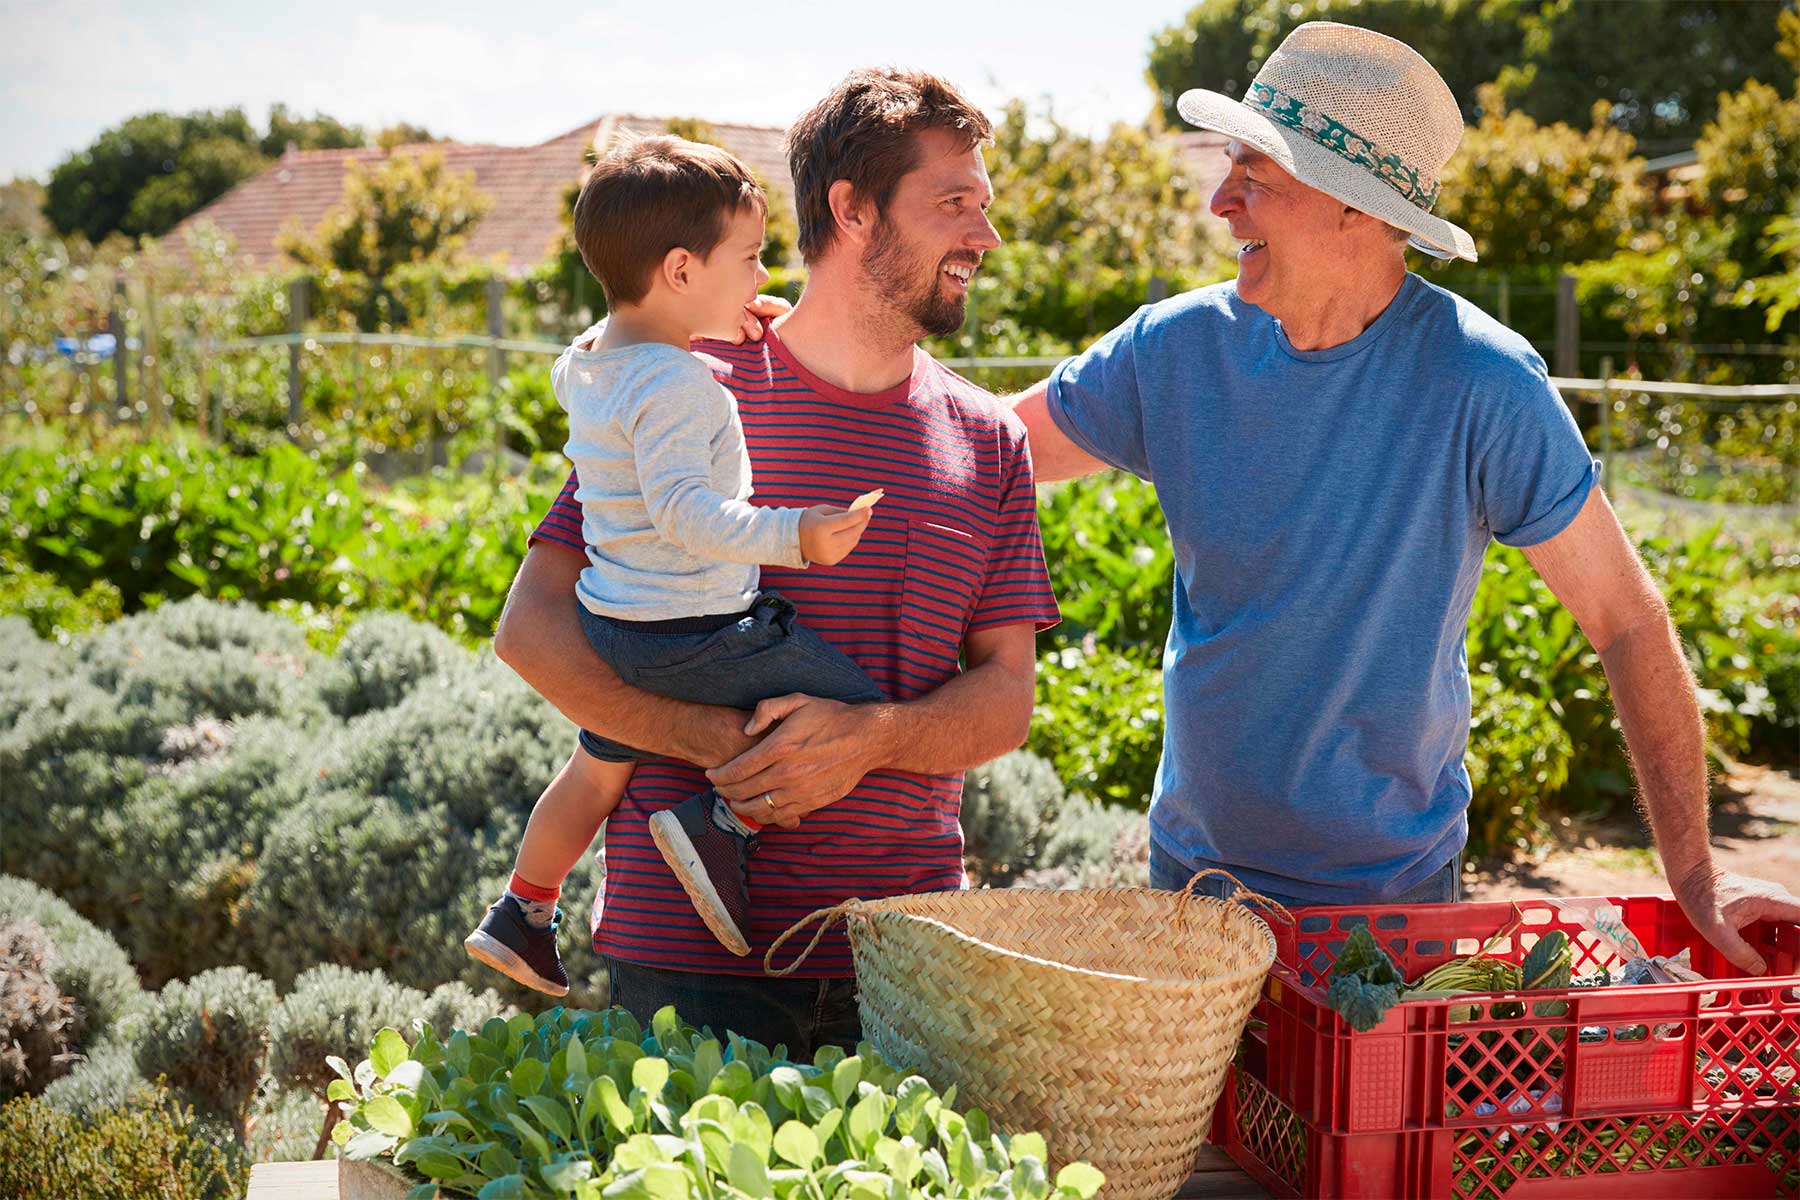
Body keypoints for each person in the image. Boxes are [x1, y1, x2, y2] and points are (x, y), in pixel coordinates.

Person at [1009, 22, 1799, 971]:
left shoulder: (1482, 382)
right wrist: (815, 350)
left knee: (1362, 1125)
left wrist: (1697, 874)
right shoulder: (1173, 352)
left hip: (1392, 910)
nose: (1221, 204)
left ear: (1356, 209)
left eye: (1256, 179)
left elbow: (1627, 620)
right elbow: (988, 445)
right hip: (1195, 890)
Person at [492, 68, 1059, 1051]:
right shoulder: (684, 383)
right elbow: (531, 633)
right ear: (852, 210)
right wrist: (722, 745)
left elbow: (1007, 696)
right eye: (954, 202)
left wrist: (869, 738)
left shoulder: (988, 441)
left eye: (986, 205)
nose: (986, 236)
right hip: (689, 968)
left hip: (909, 958)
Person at [463, 135, 888, 997]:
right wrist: (795, 535)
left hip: (613, 620)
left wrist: (714, 322)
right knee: (852, 711)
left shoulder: (588, 364)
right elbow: (685, 514)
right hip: (688, 631)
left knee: (593, 772)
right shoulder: (682, 389)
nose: (765, 278)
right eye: (751, 259)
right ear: (683, 270)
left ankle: (522, 912)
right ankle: (719, 822)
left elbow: (623, 330)